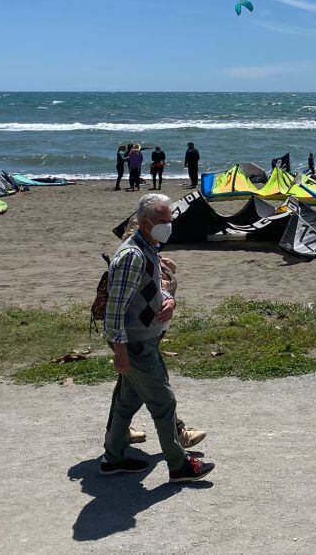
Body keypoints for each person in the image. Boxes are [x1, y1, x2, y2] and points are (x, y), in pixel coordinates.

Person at [100, 193, 214, 482]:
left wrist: (169, 300)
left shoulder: (148, 247)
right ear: (146, 222)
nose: (169, 225)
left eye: (171, 220)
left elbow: (151, 289)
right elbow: (114, 311)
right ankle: (179, 466)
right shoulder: (132, 256)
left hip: (144, 340)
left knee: (127, 400)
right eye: (164, 221)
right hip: (136, 344)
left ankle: (113, 458)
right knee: (163, 402)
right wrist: (120, 353)